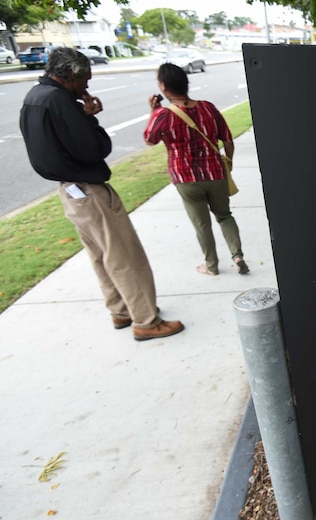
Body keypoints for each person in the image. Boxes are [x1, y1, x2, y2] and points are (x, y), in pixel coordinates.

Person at [19, 47, 184, 342]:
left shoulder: (34, 97)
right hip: (90, 190)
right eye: (85, 80)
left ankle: (121, 310)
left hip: (69, 191)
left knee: (101, 254)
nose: (87, 86)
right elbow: (96, 149)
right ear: (73, 74)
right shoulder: (61, 102)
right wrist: (90, 117)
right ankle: (146, 321)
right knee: (124, 255)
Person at [144, 63, 249, 276]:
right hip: (215, 173)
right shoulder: (208, 108)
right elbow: (227, 140)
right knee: (224, 215)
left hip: (185, 177)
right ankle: (237, 255)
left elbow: (149, 139)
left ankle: (211, 266)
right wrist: (228, 162)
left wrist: (153, 111)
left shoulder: (163, 115)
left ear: (163, 86)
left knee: (202, 224)